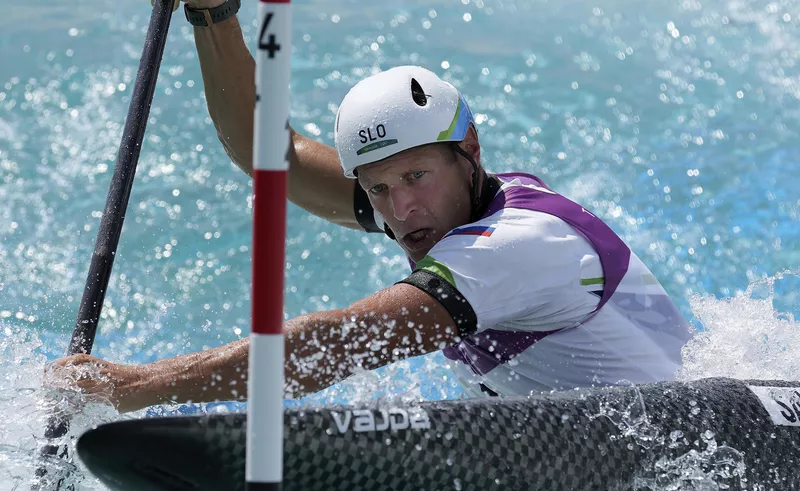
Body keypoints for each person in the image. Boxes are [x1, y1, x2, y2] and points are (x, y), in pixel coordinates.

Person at [50, 0, 692, 412]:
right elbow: (268, 154)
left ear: (469, 149)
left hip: (703, 471)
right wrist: (214, 14)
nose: (402, 210)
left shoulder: (517, 245)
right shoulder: (444, 204)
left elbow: (336, 344)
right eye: (378, 188)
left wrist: (132, 387)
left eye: (415, 176)